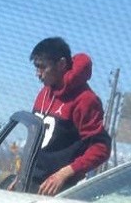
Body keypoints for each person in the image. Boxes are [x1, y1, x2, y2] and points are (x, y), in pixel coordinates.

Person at [29, 37, 110, 195]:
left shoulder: (85, 100)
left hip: (58, 191)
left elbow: (101, 148)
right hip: (30, 181)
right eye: (36, 67)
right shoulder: (44, 93)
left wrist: (65, 173)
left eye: (42, 67)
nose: (38, 74)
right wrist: (21, 175)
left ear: (61, 65)